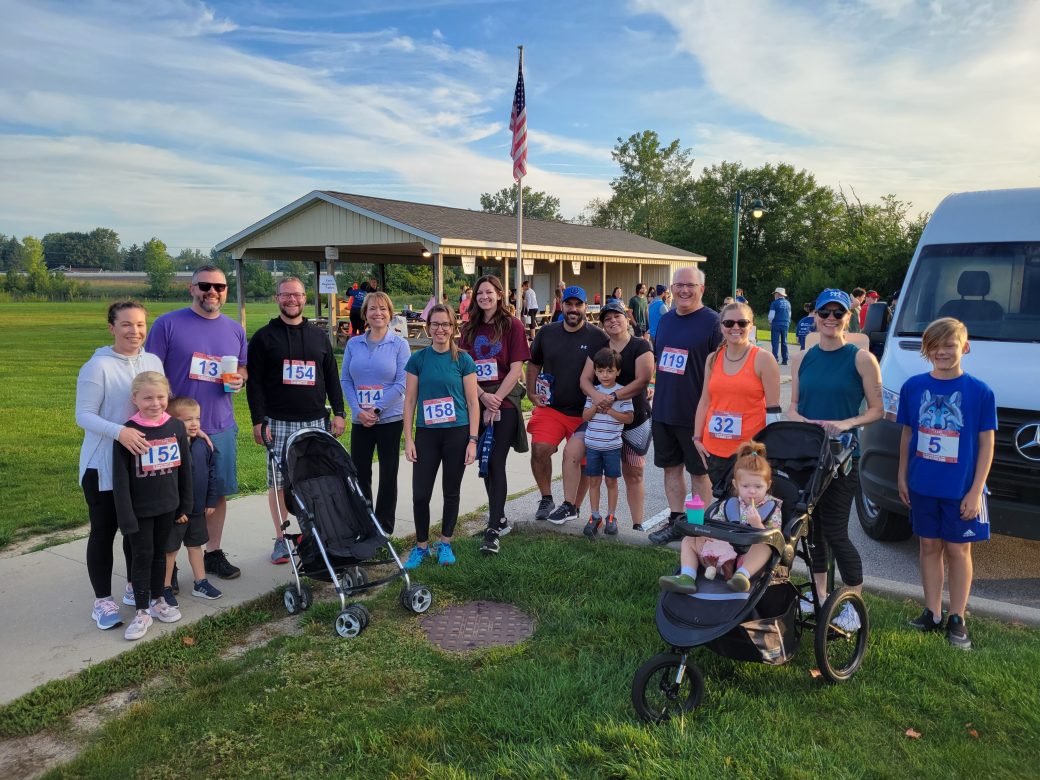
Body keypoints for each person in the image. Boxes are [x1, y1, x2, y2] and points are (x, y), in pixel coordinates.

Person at [897, 317, 995, 650]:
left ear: (964, 347)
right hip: (923, 485)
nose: (941, 351)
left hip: (961, 489)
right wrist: (902, 475)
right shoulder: (913, 387)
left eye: (949, 345)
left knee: (957, 549)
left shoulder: (980, 392)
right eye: (934, 346)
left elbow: (986, 444)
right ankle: (932, 611)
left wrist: (975, 488)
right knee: (928, 546)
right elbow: (908, 434)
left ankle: (957, 617)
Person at [788, 289, 883, 631]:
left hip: (842, 459)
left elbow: (877, 410)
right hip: (808, 458)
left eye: (837, 313)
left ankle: (852, 602)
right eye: (824, 312)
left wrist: (846, 423)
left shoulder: (860, 359)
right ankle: (820, 595)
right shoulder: (802, 358)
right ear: (814, 315)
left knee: (837, 532)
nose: (830, 319)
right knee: (812, 533)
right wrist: (802, 423)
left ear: (849, 317)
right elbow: (794, 407)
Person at [146, 265, 247, 581]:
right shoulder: (168, 325)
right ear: (191, 288)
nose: (212, 292)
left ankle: (213, 553)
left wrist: (240, 379)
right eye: (205, 286)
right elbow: (151, 374)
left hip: (220, 425)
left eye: (219, 287)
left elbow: (242, 368)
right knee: (171, 498)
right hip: (175, 430)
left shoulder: (235, 329)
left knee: (216, 494)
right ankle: (168, 563)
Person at [246, 276, 347, 564]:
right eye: (286, 295)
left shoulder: (318, 336)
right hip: (277, 421)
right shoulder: (264, 337)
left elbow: (331, 378)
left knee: (315, 479)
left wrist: (339, 413)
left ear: (305, 299)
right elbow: (254, 385)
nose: (292, 300)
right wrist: (258, 420)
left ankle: (316, 533)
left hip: (315, 420)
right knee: (278, 482)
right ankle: (282, 539)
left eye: (298, 295)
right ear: (277, 298)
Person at [77, 300, 165, 631]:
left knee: (136, 530)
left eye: (140, 324)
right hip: (103, 466)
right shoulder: (97, 366)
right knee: (105, 530)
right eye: (126, 324)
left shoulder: (152, 361)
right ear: (112, 328)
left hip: (142, 464)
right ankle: (102, 600)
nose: (135, 331)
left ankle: (134, 587)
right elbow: (83, 415)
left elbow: (158, 404)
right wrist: (120, 432)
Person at [112, 372, 192, 641]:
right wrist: (125, 517)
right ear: (135, 399)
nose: (155, 403)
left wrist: (184, 504)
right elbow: (120, 479)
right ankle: (141, 611)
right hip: (139, 510)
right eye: (147, 398)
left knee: (161, 554)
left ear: (167, 396)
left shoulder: (176, 427)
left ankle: (158, 600)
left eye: (160, 397)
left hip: (168, 506)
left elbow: (185, 469)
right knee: (142, 557)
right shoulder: (128, 432)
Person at [648, 267, 723, 545]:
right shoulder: (666, 320)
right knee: (671, 468)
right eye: (678, 285)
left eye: (690, 285)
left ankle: (698, 528)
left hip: (697, 414)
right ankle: (676, 522)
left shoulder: (714, 322)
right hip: (665, 409)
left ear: (701, 289)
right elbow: (661, 360)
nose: (683, 290)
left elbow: (723, 369)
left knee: (699, 474)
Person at [402, 304, 479, 568]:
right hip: (427, 434)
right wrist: (409, 439)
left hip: (457, 434)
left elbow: (472, 402)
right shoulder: (418, 359)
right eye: (435, 324)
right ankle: (421, 546)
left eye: (445, 324)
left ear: (453, 328)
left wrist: (472, 440)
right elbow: (410, 401)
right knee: (420, 494)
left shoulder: (464, 360)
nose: (440, 329)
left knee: (451, 492)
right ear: (428, 327)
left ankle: (445, 543)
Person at [459, 275, 530, 556]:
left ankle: (492, 529)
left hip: (505, 401)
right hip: (477, 399)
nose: (484, 297)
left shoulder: (512, 325)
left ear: (500, 295)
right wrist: (482, 397)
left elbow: (516, 369)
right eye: (480, 293)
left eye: (489, 292)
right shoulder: (470, 328)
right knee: (485, 462)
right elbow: (464, 367)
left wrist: (496, 399)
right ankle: (499, 518)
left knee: (496, 459)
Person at [527, 286, 609, 524]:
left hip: (584, 413)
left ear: (585, 307)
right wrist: (532, 392)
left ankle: (574, 505)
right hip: (552, 407)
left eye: (578, 305)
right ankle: (546, 498)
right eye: (569, 304)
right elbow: (533, 364)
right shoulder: (547, 332)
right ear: (561, 305)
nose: (573, 310)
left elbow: (609, 369)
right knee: (540, 449)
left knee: (582, 462)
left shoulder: (598, 337)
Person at [658, 441, 783, 594]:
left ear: (768, 485)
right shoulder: (729, 504)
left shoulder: (772, 508)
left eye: (758, 487)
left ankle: (741, 577)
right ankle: (687, 576)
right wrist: (706, 535)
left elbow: (775, 539)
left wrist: (757, 524)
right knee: (689, 540)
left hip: (747, 560)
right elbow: (715, 525)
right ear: (735, 485)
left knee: (765, 547)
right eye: (746, 486)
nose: (752, 491)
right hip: (720, 557)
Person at [575, 299, 654, 530]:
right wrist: (597, 396)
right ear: (602, 325)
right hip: (603, 420)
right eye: (607, 318)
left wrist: (614, 397)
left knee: (634, 472)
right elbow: (584, 380)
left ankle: (637, 524)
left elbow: (643, 379)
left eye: (616, 316)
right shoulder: (600, 349)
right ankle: (587, 512)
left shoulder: (640, 345)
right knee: (599, 474)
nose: (612, 321)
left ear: (626, 318)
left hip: (633, 417)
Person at [341, 290, 410, 535]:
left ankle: (384, 526)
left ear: (390, 314)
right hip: (361, 420)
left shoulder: (399, 345)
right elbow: (346, 380)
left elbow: (402, 383)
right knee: (359, 472)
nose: (377, 313)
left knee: (388, 472)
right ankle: (364, 522)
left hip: (389, 418)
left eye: (383, 309)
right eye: (372, 309)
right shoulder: (353, 344)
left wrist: (377, 408)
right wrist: (358, 410)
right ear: (365, 314)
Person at [693, 301, 782, 490]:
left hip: (748, 452)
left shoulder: (764, 359)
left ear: (751, 326)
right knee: (724, 509)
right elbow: (705, 401)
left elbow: (773, 410)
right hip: (714, 450)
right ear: (721, 326)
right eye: (729, 323)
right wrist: (697, 438)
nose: (735, 327)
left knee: (747, 509)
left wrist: (769, 451)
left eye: (742, 323)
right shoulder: (713, 358)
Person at [163, 396, 222, 604]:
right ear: (172, 421)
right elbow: (167, 482)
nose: (195, 423)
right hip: (177, 513)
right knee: (170, 550)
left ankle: (201, 582)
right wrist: (176, 510)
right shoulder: (170, 448)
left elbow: (212, 473)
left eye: (197, 418)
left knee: (196, 546)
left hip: (197, 509)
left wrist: (211, 500)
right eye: (188, 420)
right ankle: (165, 587)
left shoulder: (204, 445)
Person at [580, 348, 634, 537]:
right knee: (594, 481)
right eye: (601, 370)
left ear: (617, 371)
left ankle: (611, 516)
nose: (605, 375)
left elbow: (628, 419)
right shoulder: (593, 392)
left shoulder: (622, 393)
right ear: (595, 371)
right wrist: (596, 403)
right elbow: (585, 417)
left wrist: (610, 410)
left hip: (612, 447)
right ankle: (595, 515)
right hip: (593, 445)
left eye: (610, 370)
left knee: (611, 481)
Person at [768, 287, 792, 365]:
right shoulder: (788, 303)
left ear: (778, 294)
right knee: (784, 341)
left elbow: (771, 315)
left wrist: (770, 322)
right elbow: (789, 314)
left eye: (775, 294)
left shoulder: (774, 303)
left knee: (775, 341)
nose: (774, 295)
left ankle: (775, 359)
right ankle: (785, 359)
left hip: (776, 323)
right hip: (785, 323)